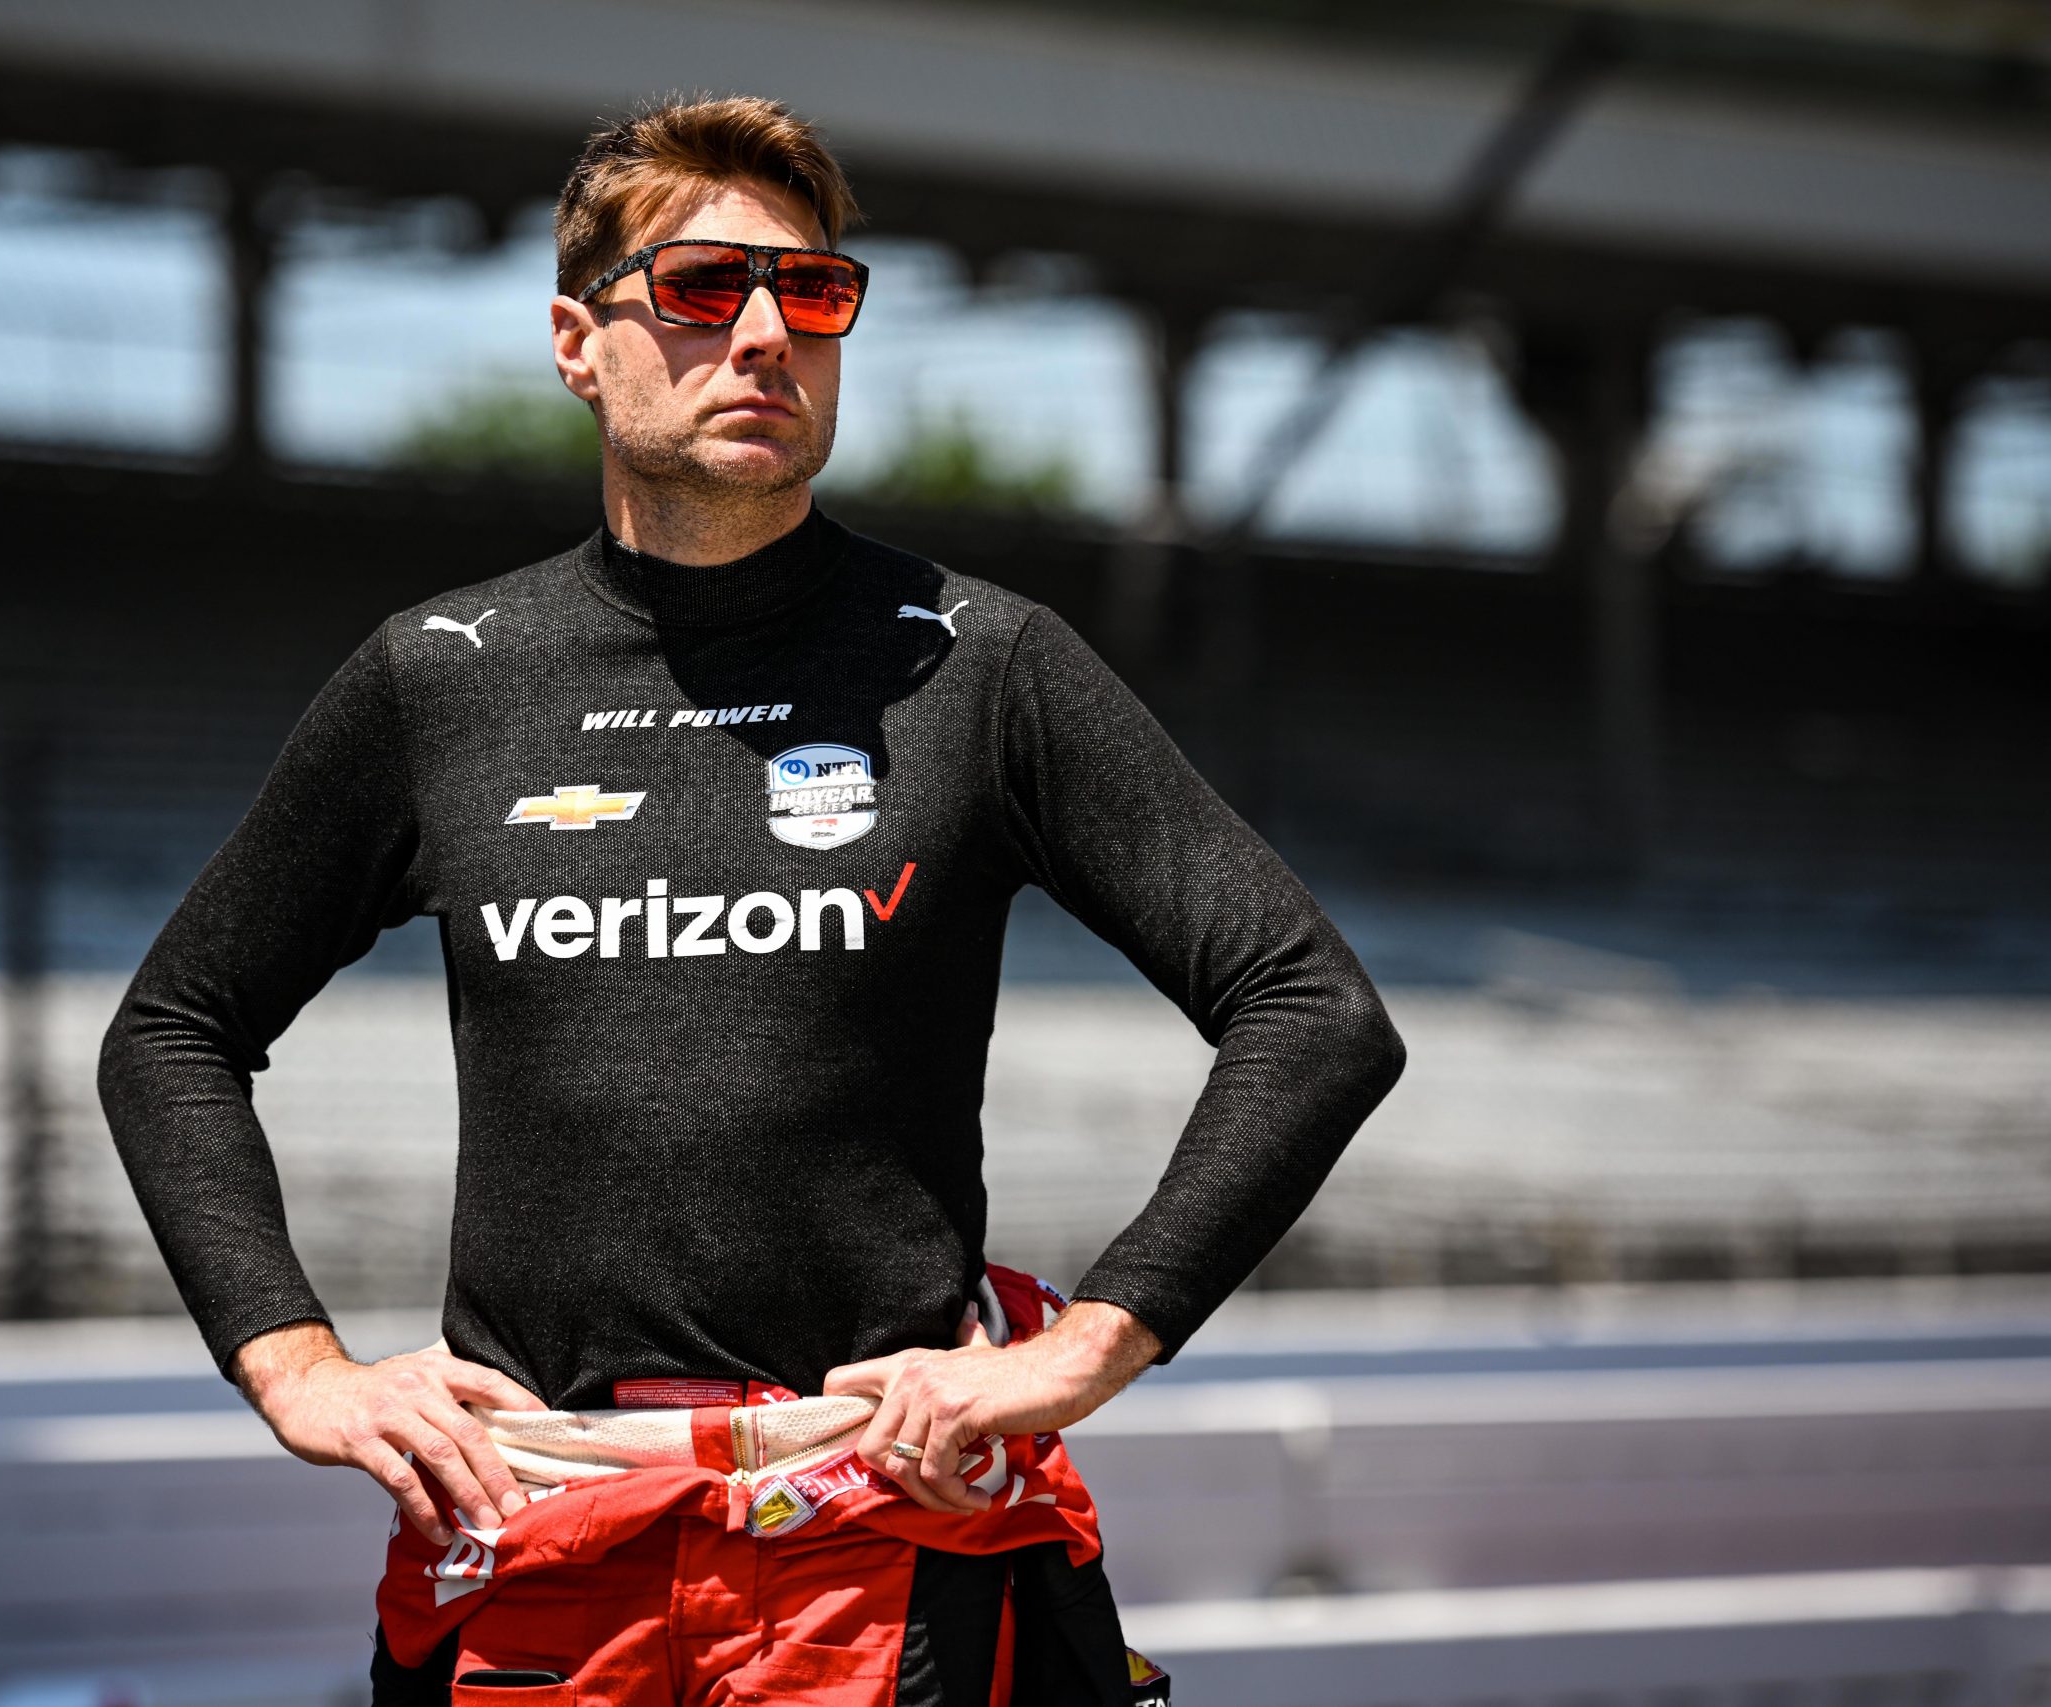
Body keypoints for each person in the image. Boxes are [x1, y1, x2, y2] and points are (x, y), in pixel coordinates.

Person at [98, 93, 1405, 1705]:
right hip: (538, 1535)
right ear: (579, 343)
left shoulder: (977, 658)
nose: (770, 334)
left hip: (874, 1532)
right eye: (705, 291)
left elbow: (1314, 1013)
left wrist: (1092, 1344)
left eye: (816, 295)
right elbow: (172, 1029)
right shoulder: (439, 681)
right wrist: (294, 1364)